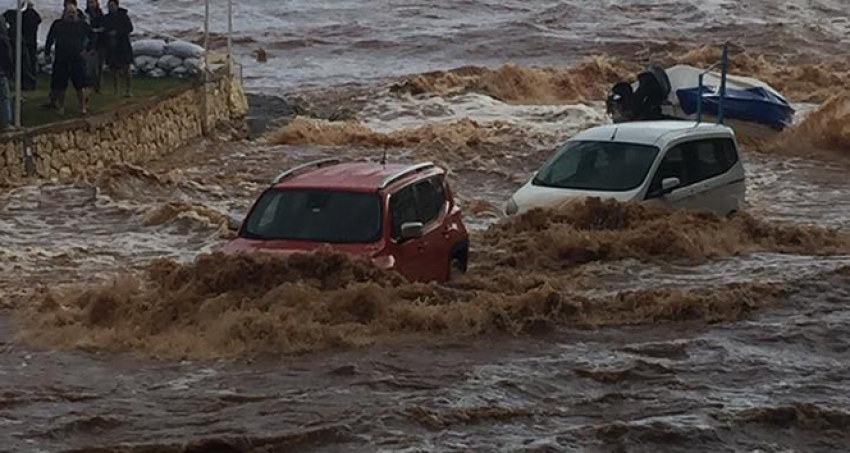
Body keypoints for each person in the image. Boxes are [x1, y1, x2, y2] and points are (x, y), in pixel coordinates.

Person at [44, 3, 90, 115]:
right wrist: (47, 53)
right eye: (69, 12)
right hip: (61, 58)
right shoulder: (58, 25)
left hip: (77, 58)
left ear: (77, 14)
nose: (71, 15)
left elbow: (93, 36)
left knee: (80, 85)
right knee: (60, 85)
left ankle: (82, 106)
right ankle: (61, 107)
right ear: (64, 13)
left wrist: (87, 49)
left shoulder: (82, 25)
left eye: (73, 13)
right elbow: (50, 39)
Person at [2, 1, 39, 90]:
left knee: (25, 65)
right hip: (24, 43)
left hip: (22, 45)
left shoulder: (15, 20)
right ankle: (28, 83)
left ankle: (28, 83)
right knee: (27, 65)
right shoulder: (25, 16)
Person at [102, 0, 131, 97]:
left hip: (123, 45)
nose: (110, 7)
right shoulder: (106, 18)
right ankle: (116, 90)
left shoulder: (123, 16)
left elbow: (129, 28)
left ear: (117, 5)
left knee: (126, 68)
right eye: (109, 6)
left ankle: (128, 90)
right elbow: (104, 29)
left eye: (112, 5)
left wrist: (117, 32)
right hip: (111, 46)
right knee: (114, 69)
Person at [85, 0, 104, 92]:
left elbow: (104, 26)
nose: (91, 5)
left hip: (100, 42)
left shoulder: (100, 15)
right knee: (90, 66)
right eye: (89, 3)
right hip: (89, 43)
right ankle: (90, 84)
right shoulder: (86, 15)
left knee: (99, 66)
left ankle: (98, 85)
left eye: (93, 2)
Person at [0, 17, 13, 130]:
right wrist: (9, 67)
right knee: (4, 96)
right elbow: (7, 53)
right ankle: (6, 122)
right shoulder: (3, 40)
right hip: (1, 69)